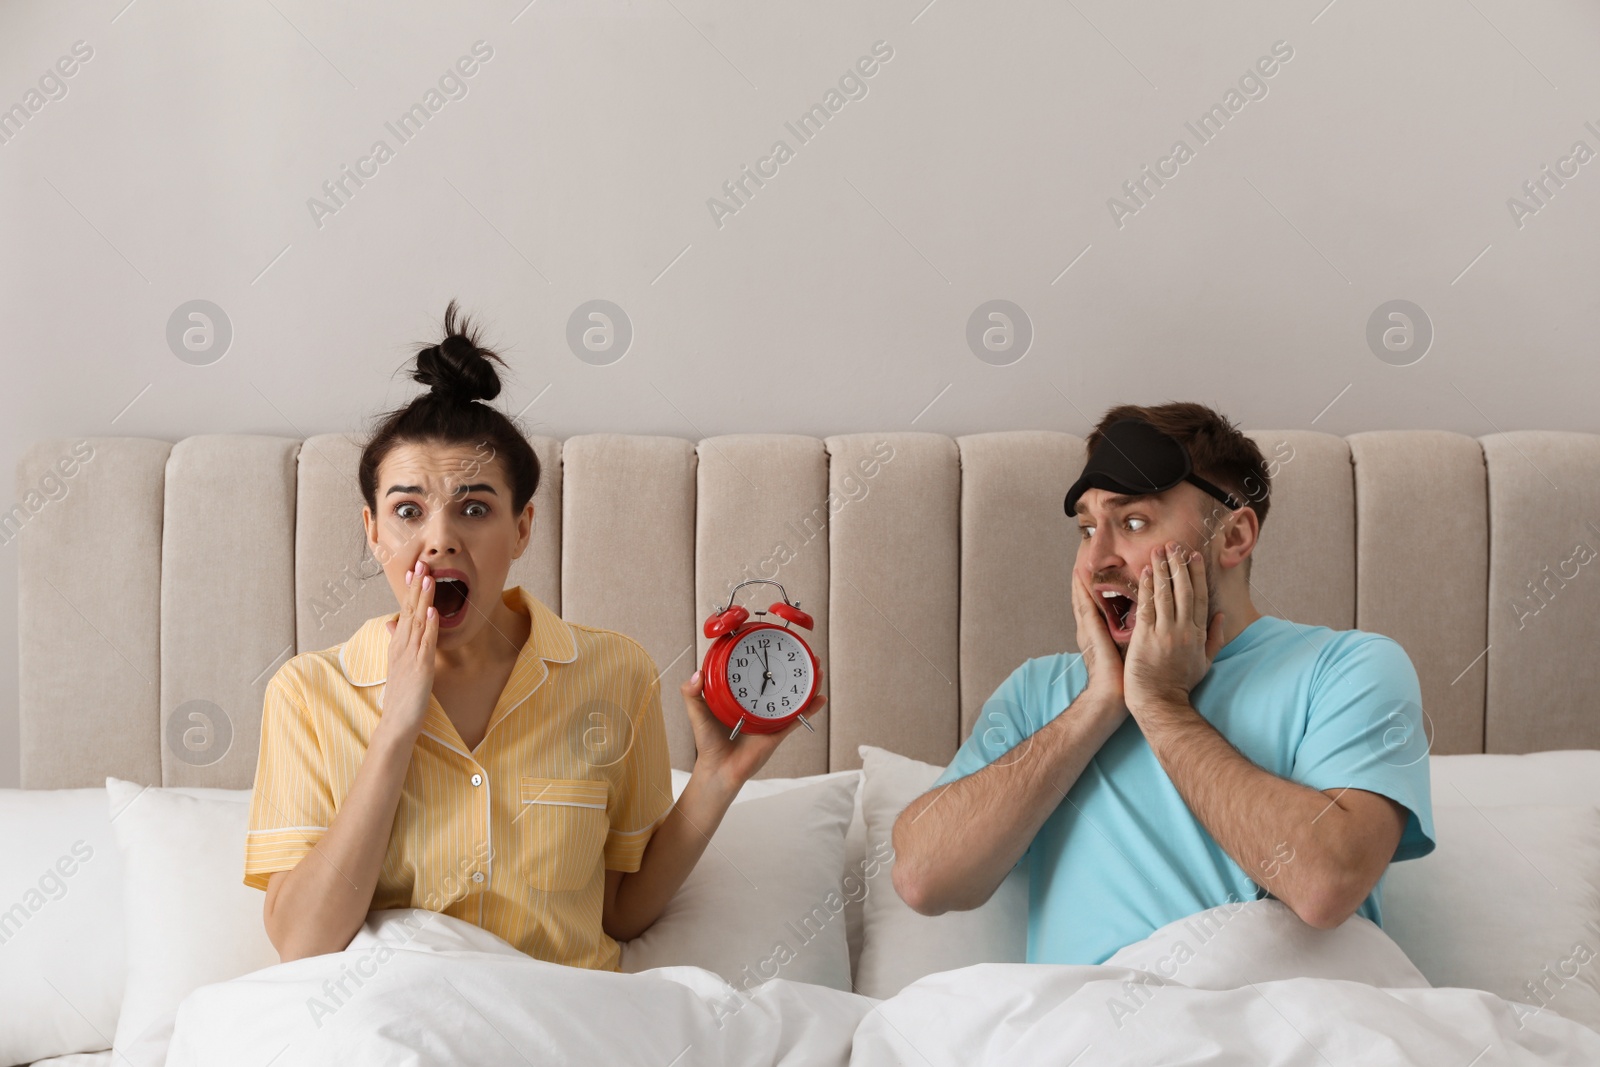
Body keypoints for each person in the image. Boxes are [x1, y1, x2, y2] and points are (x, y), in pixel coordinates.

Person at [243, 301, 822, 969]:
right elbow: (302, 941)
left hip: (559, 1023)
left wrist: (717, 778)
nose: (438, 540)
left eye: (474, 508)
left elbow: (620, 911)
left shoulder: (614, 672)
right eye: (407, 510)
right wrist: (396, 727)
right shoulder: (310, 692)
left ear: (521, 528)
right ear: (373, 532)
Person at [890, 402, 1435, 966]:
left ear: (1233, 536)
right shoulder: (1037, 692)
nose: (1096, 560)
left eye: (1132, 523)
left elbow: (1326, 884)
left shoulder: (1349, 668)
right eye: (1085, 529)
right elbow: (924, 879)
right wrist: (1100, 702)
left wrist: (1160, 705)